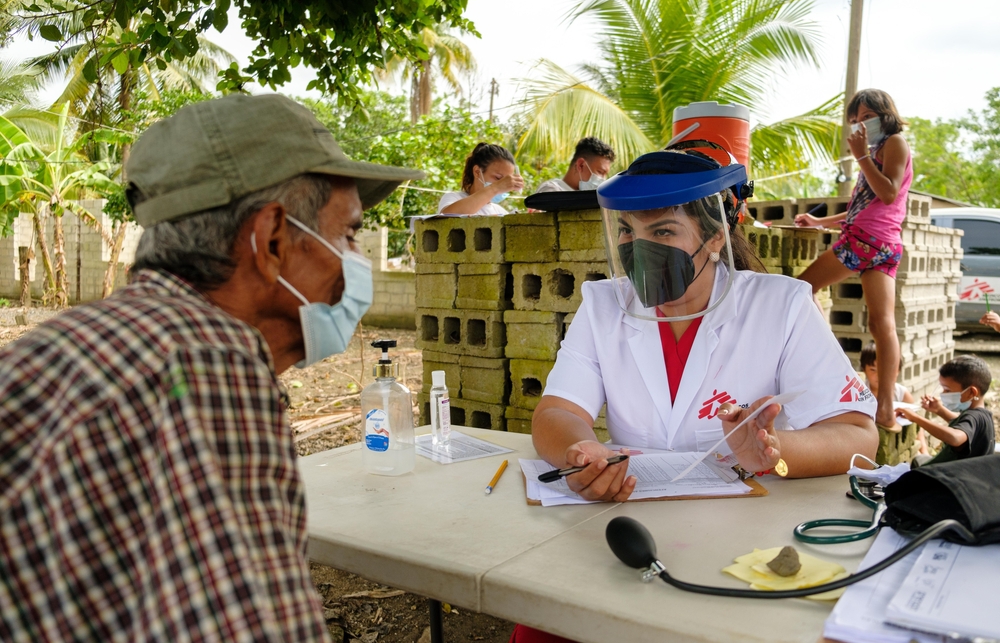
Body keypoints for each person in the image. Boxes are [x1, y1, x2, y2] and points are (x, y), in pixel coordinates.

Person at [0, 94, 424, 640]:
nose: (356, 260)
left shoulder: (65, 344)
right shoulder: (207, 365)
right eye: (347, 234)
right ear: (271, 239)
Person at [513, 147, 878, 643]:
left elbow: (858, 435)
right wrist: (581, 452)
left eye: (662, 232)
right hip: (631, 524)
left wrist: (774, 450)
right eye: (627, 232)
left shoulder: (781, 305)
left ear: (714, 237)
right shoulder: (603, 305)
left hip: (747, 534)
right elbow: (557, 411)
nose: (639, 248)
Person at [793, 89, 913, 433]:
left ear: (883, 114)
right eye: (855, 121)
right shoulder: (881, 148)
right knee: (881, 325)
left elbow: (888, 191)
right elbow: (867, 204)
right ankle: (886, 410)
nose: (861, 125)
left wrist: (860, 157)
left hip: (865, 241)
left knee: (802, 289)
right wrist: (820, 222)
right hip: (884, 241)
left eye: (866, 118)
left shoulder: (894, 144)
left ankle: (831, 364)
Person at [897, 355, 995, 467]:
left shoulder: (974, 417)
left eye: (947, 390)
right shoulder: (981, 414)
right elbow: (961, 424)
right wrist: (939, 410)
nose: (943, 394)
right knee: (919, 460)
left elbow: (955, 438)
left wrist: (916, 418)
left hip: (955, 479)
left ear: (971, 392)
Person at [860, 341, 927, 455]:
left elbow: (916, 428)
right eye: (873, 370)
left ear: (898, 371)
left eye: (885, 370)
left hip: (897, 447)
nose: (880, 376)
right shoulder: (860, 392)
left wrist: (924, 451)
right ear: (864, 369)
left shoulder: (902, 394)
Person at [438, 142, 523, 216]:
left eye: (506, 181)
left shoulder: (499, 211)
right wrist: (495, 188)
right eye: (498, 178)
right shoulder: (454, 198)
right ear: (477, 172)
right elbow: (447, 216)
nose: (503, 184)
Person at [535, 137, 616, 193]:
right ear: (581, 165)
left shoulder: (593, 197)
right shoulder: (551, 191)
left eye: (605, 175)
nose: (603, 179)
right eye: (600, 172)